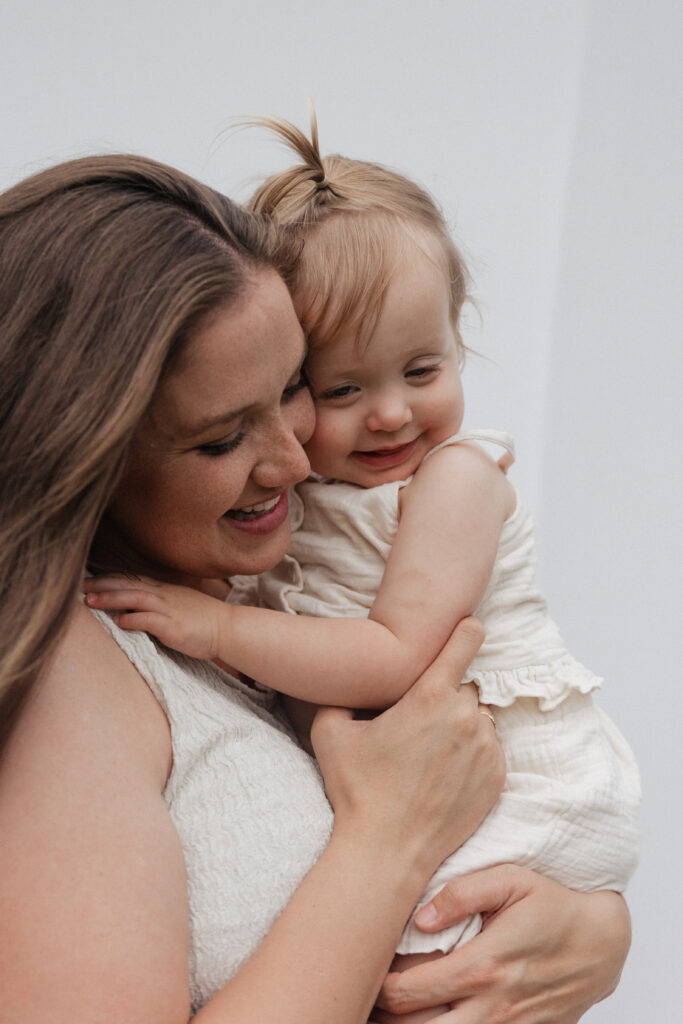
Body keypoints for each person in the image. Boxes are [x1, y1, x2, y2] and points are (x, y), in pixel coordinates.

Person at [0, 153, 631, 1024]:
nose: (297, 462)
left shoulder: (255, 608)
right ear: (85, 453)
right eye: (221, 439)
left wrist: (586, 934)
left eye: (293, 386)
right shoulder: (78, 671)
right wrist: (390, 840)